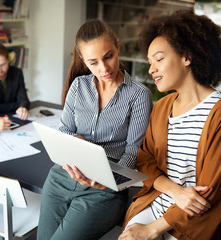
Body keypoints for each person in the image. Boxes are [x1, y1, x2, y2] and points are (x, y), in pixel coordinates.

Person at [119, 10, 221, 240]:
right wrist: (174, 191)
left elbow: (210, 194)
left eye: (158, 59)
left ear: (187, 57)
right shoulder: (161, 107)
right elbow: (143, 160)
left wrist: (151, 231)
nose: (151, 69)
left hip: (193, 221)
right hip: (154, 205)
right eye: (150, 62)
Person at [37, 19, 152, 240]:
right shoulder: (78, 86)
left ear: (118, 46)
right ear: (83, 61)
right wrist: (74, 140)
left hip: (103, 190)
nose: (104, 68)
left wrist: (110, 181)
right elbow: (64, 131)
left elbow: (132, 153)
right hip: (62, 176)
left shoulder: (139, 95)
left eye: (108, 56)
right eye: (93, 62)